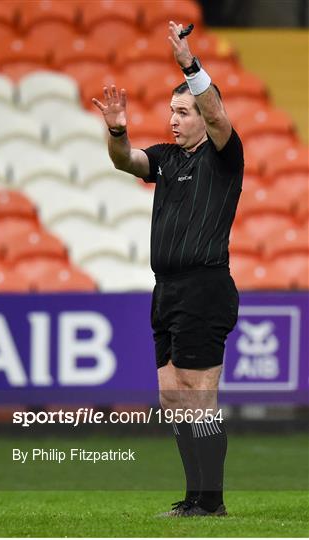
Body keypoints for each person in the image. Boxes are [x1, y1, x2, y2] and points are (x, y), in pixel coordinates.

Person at [92, 21, 244, 517]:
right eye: (171, 112)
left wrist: (188, 63)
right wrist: (117, 130)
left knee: (200, 394)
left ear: (204, 115)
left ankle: (211, 501)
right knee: (172, 397)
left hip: (204, 287)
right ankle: (193, 496)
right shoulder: (165, 158)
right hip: (167, 290)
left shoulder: (224, 157)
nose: (173, 121)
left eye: (182, 112)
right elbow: (124, 160)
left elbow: (221, 115)